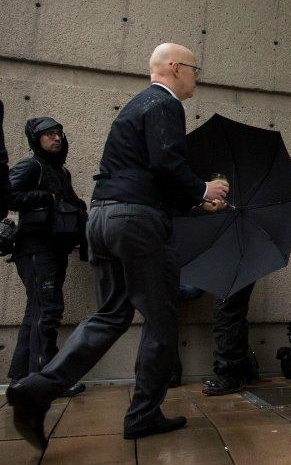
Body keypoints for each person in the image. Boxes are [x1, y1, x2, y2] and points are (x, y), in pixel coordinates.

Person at [6, 43, 229, 449]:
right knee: (161, 321)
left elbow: (148, 175)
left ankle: (36, 389)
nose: (198, 77)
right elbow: (166, 164)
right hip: (138, 224)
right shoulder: (164, 104)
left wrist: (199, 202)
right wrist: (203, 187)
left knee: (110, 314)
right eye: (196, 68)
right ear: (175, 67)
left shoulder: (134, 107)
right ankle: (143, 414)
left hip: (104, 219)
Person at [6, 118, 88, 398]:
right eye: (49, 134)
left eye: (58, 134)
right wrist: (45, 198)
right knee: (48, 311)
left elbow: (69, 202)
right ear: (36, 139)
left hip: (53, 250)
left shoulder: (59, 171)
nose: (56, 138)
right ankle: (47, 380)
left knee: (37, 311)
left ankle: (21, 378)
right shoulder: (32, 166)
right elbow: (7, 196)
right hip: (34, 249)